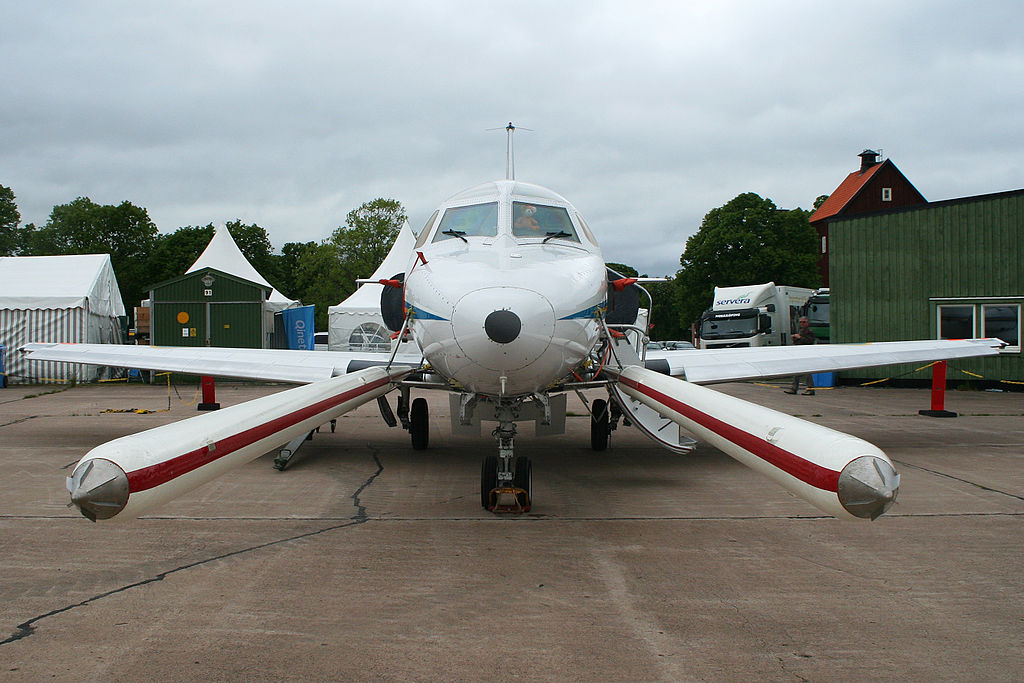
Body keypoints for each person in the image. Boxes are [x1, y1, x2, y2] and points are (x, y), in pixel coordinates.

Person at [785, 316, 817, 395]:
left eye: (804, 322)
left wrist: (800, 337)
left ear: (807, 323)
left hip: (807, 354)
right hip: (799, 354)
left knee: (807, 372)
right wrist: (795, 339)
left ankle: (810, 389)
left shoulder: (810, 332)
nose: (802, 324)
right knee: (796, 371)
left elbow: (809, 341)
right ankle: (794, 388)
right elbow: (798, 343)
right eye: (801, 322)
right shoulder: (800, 331)